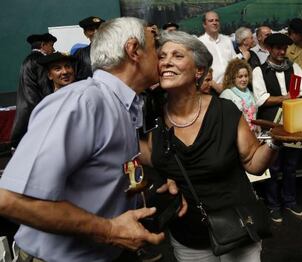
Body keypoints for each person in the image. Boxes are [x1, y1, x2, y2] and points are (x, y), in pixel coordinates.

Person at [0, 17, 186, 262]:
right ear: (133, 50)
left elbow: (113, 163)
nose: (161, 56)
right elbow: (11, 200)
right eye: (155, 47)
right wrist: (110, 231)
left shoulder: (123, 104)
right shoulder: (82, 103)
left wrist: (157, 186)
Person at [138, 30, 279, 262]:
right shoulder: (152, 115)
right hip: (188, 235)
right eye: (162, 56)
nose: (166, 62)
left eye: (177, 56)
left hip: (238, 226)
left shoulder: (225, 111)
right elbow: (147, 156)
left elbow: (253, 163)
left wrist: (276, 141)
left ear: (199, 70)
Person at [252, 33, 302, 222]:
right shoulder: (259, 71)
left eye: (284, 48)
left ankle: (290, 201)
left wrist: (298, 100)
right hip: (271, 126)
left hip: (293, 125)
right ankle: (273, 205)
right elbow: (261, 99)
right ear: (269, 49)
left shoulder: (295, 68)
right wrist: (285, 98)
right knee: (273, 166)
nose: (281, 52)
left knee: (291, 165)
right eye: (277, 48)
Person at [10, 33, 56, 149]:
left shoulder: (27, 60)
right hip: (37, 107)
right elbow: (45, 86)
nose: (53, 49)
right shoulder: (41, 60)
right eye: (51, 45)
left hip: (25, 107)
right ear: (43, 45)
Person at [198, 11, 236, 93]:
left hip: (231, 87)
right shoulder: (199, 43)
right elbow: (199, 68)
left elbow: (234, 62)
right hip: (212, 89)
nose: (214, 23)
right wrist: (213, 84)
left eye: (217, 20)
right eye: (211, 21)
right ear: (204, 25)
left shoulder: (227, 40)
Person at [220, 59, 257, 130]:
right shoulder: (226, 95)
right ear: (232, 78)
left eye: (246, 76)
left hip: (252, 134)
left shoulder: (251, 94)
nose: (244, 79)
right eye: (240, 76)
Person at [74, 16, 105, 80]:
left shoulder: (114, 51)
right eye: (91, 29)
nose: (96, 32)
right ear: (85, 33)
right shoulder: (80, 54)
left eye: (99, 28)